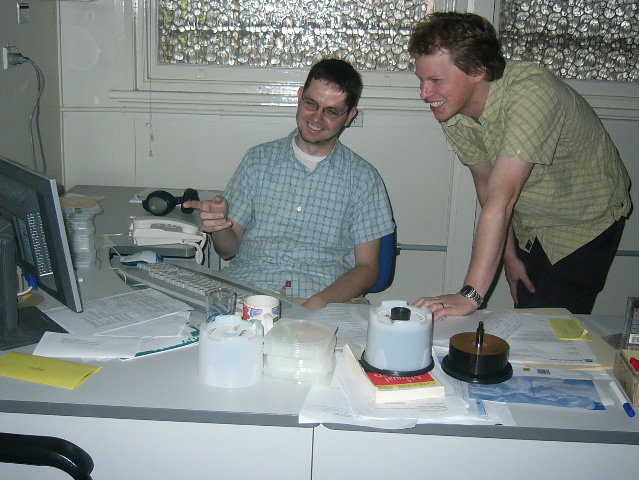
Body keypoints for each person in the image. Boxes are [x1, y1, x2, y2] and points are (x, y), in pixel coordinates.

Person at [408, 12, 631, 320]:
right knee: (525, 315)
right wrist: (508, 256)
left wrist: (470, 295)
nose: (425, 94)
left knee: (550, 326)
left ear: (477, 70)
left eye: (435, 81)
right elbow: (486, 186)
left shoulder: (531, 93)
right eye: (421, 80)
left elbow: (502, 199)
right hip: (530, 222)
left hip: (583, 221)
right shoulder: (454, 108)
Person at [184, 59, 395, 310]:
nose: (317, 118)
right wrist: (219, 227)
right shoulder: (257, 160)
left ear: (349, 116)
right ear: (299, 97)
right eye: (311, 104)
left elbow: (368, 269)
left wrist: (318, 304)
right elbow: (228, 251)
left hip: (325, 298)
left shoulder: (363, 178)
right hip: (249, 293)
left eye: (332, 111)